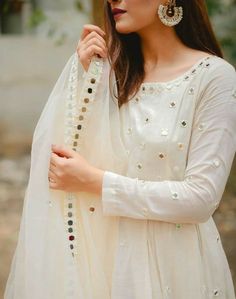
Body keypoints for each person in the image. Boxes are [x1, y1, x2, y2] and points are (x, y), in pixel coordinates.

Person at [4, 0, 236, 298]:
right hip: (105, 259)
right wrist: (88, 83)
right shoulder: (112, 74)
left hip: (176, 266)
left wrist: (95, 182)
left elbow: (201, 199)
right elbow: (65, 163)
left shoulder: (215, 78)